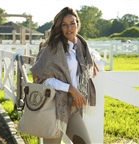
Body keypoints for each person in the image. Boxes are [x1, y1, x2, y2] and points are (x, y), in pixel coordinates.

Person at [30, 7, 101, 144]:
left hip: (73, 107)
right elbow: (43, 80)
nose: (69, 28)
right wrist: (72, 89)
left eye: (72, 23)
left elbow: (94, 54)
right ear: (59, 27)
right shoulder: (52, 48)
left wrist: (91, 56)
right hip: (54, 107)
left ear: (77, 24)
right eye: (64, 24)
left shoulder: (81, 46)